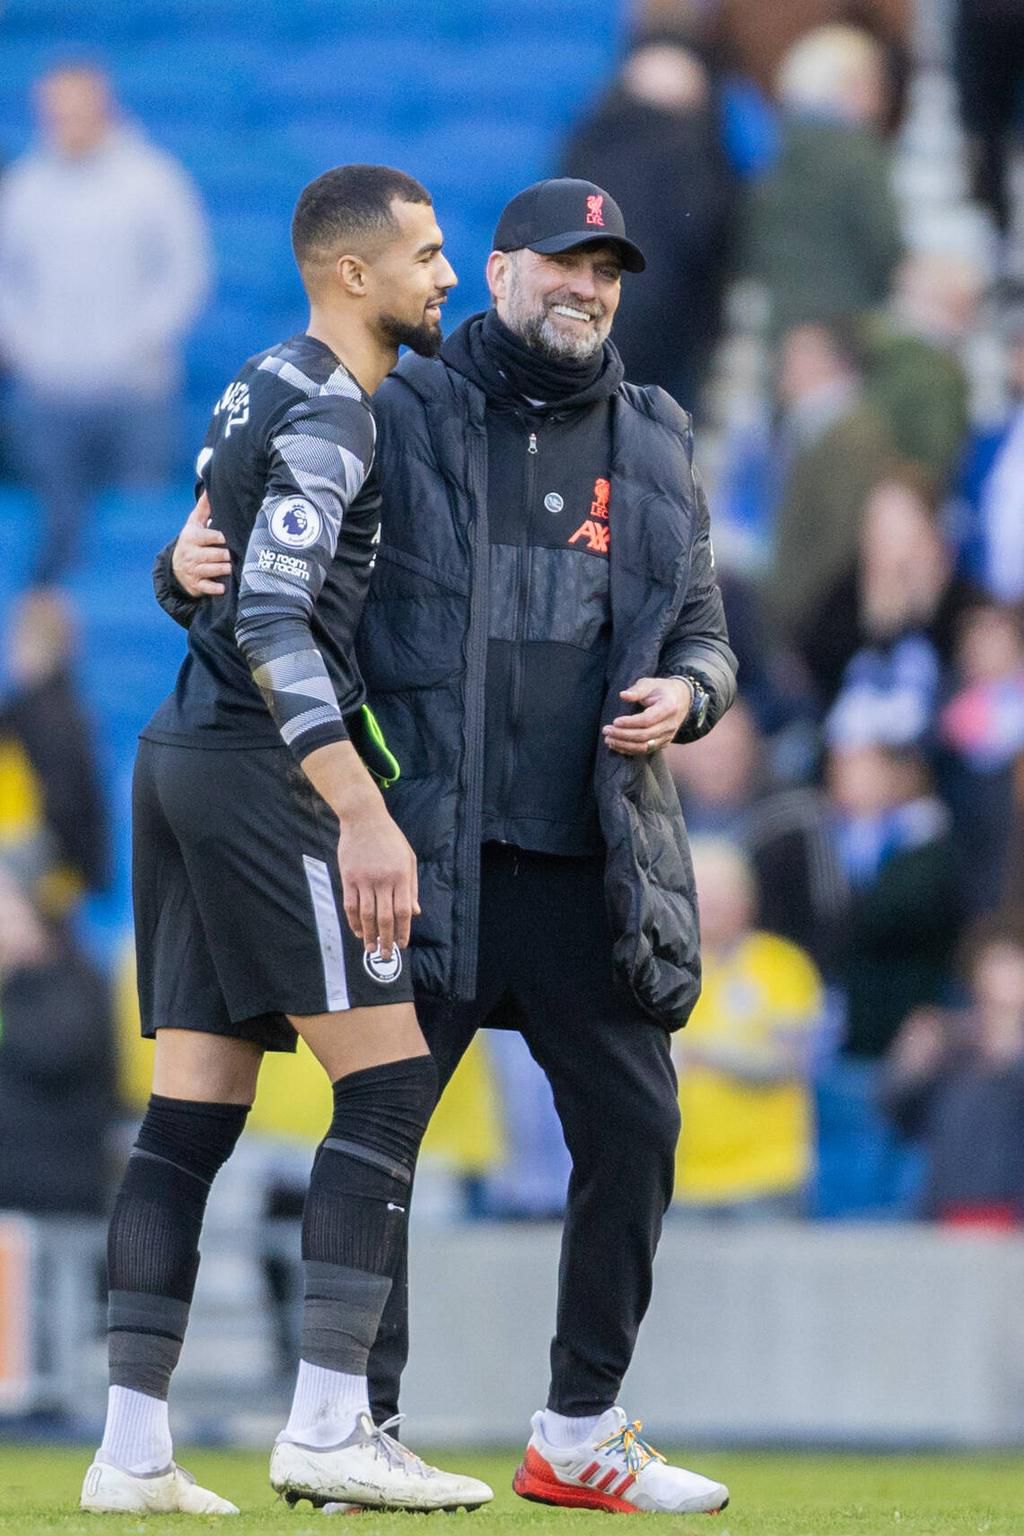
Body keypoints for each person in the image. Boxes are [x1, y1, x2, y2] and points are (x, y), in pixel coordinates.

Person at [163, 177, 737, 1515]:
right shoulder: (398, 408)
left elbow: (706, 629)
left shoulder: (655, 438)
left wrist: (691, 695)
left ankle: (580, 1428)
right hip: (427, 849)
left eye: (608, 271)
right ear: (497, 273)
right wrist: (178, 558)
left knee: (639, 1128)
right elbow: (264, 553)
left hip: (593, 862)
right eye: (563, 265)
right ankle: (365, 1417)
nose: (588, 290)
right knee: (384, 1134)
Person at [80, 165, 493, 1518]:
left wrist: (165, 570)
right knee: (383, 1084)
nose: (446, 274)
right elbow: (271, 617)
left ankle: (130, 1452)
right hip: (266, 769)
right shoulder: (333, 412)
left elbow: (209, 553)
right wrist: (364, 816)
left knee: (191, 1118)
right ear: (351, 274)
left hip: (177, 751)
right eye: (427, 255)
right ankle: (330, 1424)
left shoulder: (255, 381)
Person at [0, 62, 210, 583]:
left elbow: (185, 270)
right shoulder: (26, 187)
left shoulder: (153, 180)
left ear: (104, 107)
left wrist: (138, 342)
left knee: (139, 526)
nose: (66, 121)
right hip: (48, 390)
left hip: (136, 389)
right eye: (55, 111)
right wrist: (27, 347)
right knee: (51, 526)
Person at [559, 38, 737, 411]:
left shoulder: (586, 141)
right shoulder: (694, 151)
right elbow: (704, 235)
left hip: (585, 317)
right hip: (666, 332)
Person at [672, 839, 823, 1218]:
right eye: (700, 893)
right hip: (682, 1179)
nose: (711, 907)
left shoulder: (782, 966)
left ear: (747, 901)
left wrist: (702, 1051)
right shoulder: (661, 968)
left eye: (723, 895)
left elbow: (785, 1062)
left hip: (767, 1177)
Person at [742, 24, 902, 335]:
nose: (882, 101)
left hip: (781, 310)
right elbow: (883, 241)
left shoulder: (770, 147)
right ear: (850, 85)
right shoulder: (859, 152)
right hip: (846, 317)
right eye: (875, 86)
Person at [882, 910, 1024, 1226]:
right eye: (1000, 962)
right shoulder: (946, 1042)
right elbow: (896, 1114)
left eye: (1017, 962)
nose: (1011, 975)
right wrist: (911, 1064)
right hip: (947, 1212)